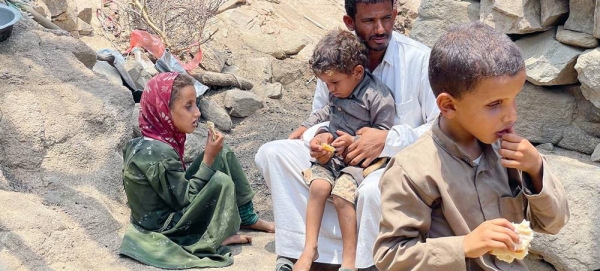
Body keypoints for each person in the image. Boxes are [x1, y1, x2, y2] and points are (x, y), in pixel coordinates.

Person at [255, 0, 439, 269]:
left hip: (392, 161)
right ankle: (302, 252)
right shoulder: (334, 58)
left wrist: (386, 141)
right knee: (272, 154)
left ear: (395, 14)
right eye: (369, 21)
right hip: (338, 153)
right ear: (349, 22)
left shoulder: (419, 60)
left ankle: (361, 261)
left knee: (372, 190)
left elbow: (439, 127)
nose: (380, 29)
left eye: (387, 18)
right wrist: (318, 137)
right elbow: (323, 112)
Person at [373, 21, 570, 270]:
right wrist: (464, 246)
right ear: (449, 105)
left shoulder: (509, 152)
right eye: (495, 104)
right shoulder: (412, 170)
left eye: (514, 99)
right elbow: (391, 256)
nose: (511, 116)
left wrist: (536, 169)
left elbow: (553, 224)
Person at [119, 72, 274, 269]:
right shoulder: (159, 154)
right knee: (221, 181)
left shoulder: (146, 142)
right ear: (164, 110)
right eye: (188, 106)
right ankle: (211, 239)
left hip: (170, 205)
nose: (197, 113)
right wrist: (208, 158)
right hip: (165, 226)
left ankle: (247, 217)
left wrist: (212, 156)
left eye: (196, 104)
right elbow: (185, 199)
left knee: (222, 151)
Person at [294, 29, 395, 271]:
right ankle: (310, 248)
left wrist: (353, 140)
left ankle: (350, 260)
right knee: (318, 186)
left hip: (360, 163)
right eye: (326, 83)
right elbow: (326, 112)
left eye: (334, 82)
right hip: (333, 158)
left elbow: (383, 132)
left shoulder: (377, 96)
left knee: (341, 196)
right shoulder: (338, 91)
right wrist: (313, 130)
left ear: (357, 72)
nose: (330, 89)